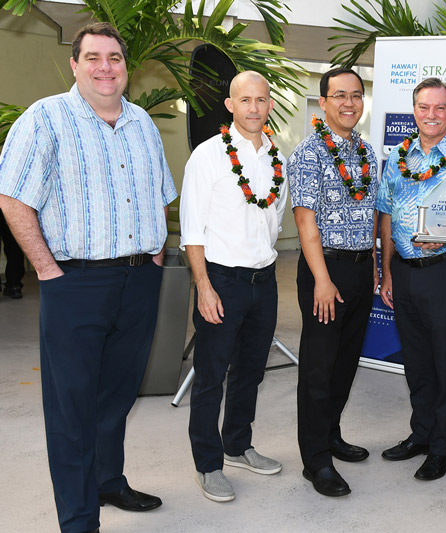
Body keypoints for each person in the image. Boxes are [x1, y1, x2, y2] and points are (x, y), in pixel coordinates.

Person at [0, 22, 175, 533]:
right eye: (93, 57)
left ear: (126, 67)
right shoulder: (46, 119)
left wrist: (156, 257)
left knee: (117, 394)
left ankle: (108, 480)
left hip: (139, 281)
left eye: (115, 58)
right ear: (74, 65)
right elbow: (12, 199)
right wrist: (48, 271)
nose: (106, 67)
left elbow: (160, 194)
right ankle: (79, 520)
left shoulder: (142, 121)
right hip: (74, 283)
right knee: (72, 406)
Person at [180, 71, 288, 503]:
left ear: (270, 105)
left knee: (251, 371)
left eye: (261, 100)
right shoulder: (207, 157)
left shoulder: (277, 155)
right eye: (245, 100)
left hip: (264, 280)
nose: (253, 108)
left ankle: (237, 445)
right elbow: (192, 230)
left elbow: (274, 217)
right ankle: (208, 465)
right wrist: (203, 286)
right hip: (221, 280)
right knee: (211, 377)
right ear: (230, 105)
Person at [376, 78, 446, 480]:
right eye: (424, 107)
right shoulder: (398, 156)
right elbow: (385, 215)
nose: (431, 115)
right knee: (416, 363)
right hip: (403, 274)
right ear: (414, 110)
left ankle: (442, 447)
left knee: (444, 363)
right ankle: (421, 433)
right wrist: (386, 271)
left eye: (440, 108)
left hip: (445, 273)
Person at [286, 67, 379, 498]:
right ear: (323, 102)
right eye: (339, 95)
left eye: (356, 95)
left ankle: (332, 434)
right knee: (320, 368)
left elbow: (371, 217)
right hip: (326, 270)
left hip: (360, 269)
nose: (349, 102)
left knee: (345, 362)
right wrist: (322, 280)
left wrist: (375, 269)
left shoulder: (366, 151)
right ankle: (315, 460)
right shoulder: (308, 153)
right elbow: (306, 224)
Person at [0, 210, 25, 298]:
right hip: (12, 200)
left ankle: (14, 285)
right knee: (14, 245)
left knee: (14, 245)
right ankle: (14, 286)